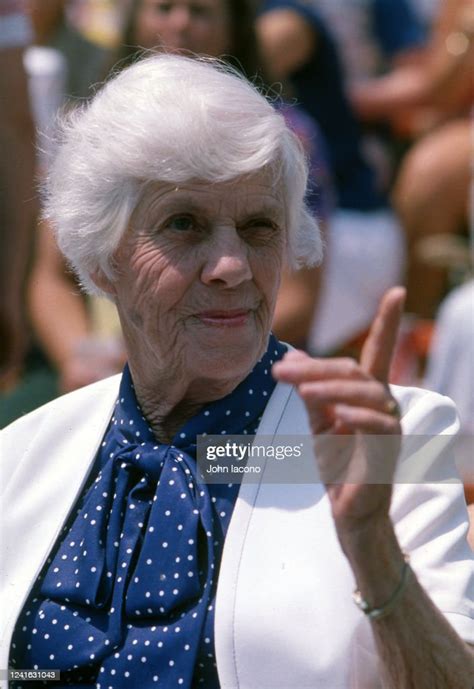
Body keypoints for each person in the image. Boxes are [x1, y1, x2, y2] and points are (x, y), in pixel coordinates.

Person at [0, 56, 473, 689]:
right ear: (106, 256)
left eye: (257, 228)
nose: (231, 265)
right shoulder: (23, 458)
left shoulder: (392, 441)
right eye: (184, 224)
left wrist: (372, 548)